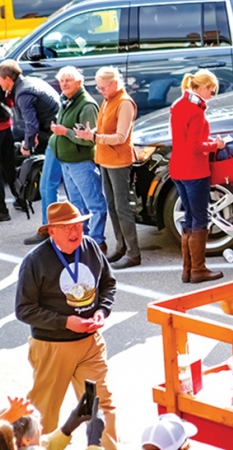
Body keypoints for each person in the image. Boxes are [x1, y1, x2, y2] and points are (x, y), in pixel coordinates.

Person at [14, 201, 119, 450]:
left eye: (78, 225)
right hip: (52, 348)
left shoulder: (91, 247)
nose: (75, 232)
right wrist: (65, 322)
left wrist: (102, 311)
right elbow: (24, 310)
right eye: (66, 227)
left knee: (100, 405)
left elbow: (108, 284)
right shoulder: (35, 261)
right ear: (51, 231)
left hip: (90, 346)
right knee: (42, 412)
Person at [74, 67, 139, 268]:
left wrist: (93, 137)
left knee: (122, 207)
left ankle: (133, 253)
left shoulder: (124, 103)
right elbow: (104, 128)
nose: (100, 90)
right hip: (105, 159)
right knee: (112, 206)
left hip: (119, 161)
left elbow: (120, 137)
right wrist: (91, 132)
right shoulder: (109, 100)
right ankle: (121, 247)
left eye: (103, 87)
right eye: (98, 87)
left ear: (114, 84)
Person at [169, 71, 225, 284]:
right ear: (202, 87)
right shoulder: (196, 111)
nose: (212, 92)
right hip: (194, 170)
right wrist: (215, 145)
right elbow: (195, 146)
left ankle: (188, 269)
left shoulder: (178, 105)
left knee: (189, 218)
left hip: (178, 169)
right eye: (211, 88)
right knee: (200, 218)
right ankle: (198, 269)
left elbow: (184, 139)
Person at [0, 61, 61, 243]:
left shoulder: (23, 92)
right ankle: (49, 227)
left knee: (47, 185)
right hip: (54, 134)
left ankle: (48, 231)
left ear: (8, 79)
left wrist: (27, 145)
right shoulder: (29, 83)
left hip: (57, 137)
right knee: (50, 183)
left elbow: (31, 123)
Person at [49, 67, 107, 252]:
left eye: (69, 80)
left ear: (79, 83)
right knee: (77, 207)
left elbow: (88, 139)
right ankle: (84, 241)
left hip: (81, 163)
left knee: (95, 205)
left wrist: (64, 132)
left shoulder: (87, 105)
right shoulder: (66, 100)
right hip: (67, 163)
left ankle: (97, 242)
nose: (64, 84)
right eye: (62, 81)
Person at [0, 84, 15, 221]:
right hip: (5, 125)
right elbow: (10, 100)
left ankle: (2, 211)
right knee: (9, 166)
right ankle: (21, 200)